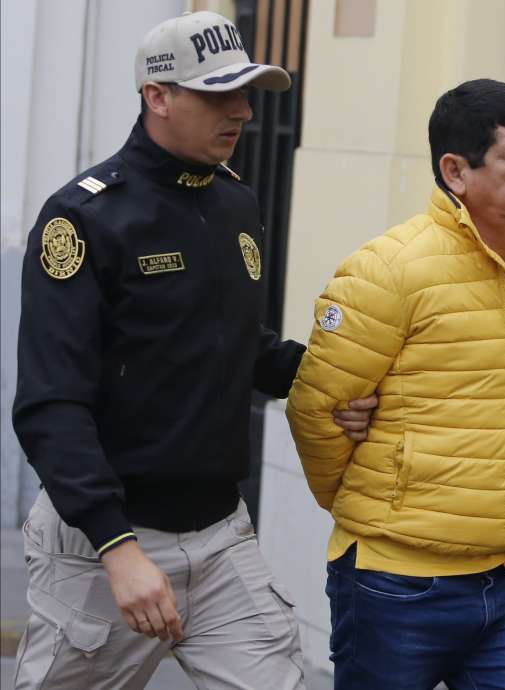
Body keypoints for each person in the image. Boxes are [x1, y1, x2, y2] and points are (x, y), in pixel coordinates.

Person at [11, 11, 374, 689]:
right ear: (158, 96)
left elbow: (243, 347)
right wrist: (116, 548)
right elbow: (50, 405)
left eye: (246, 95)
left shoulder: (234, 202)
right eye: (217, 96)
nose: (241, 112)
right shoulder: (84, 217)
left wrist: (332, 380)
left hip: (219, 534)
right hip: (103, 544)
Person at [285, 78, 505, 689]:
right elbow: (316, 408)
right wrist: (371, 504)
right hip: (398, 584)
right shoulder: (388, 268)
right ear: (455, 171)